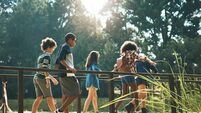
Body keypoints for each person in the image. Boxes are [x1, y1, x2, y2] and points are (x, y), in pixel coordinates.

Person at [32, 37, 58, 113]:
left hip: (36, 78)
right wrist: (47, 80)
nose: (53, 50)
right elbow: (45, 68)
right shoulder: (47, 56)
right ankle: (55, 112)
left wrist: (52, 78)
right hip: (42, 78)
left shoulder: (41, 56)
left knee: (39, 97)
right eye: (53, 48)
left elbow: (42, 69)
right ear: (48, 47)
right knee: (49, 97)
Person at [55, 33, 80, 113]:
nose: (74, 43)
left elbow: (57, 61)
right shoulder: (66, 47)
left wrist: (58, 72)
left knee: (66, 95)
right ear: (69, 39)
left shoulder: (63, 47)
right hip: (67, 74)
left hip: (63, 73)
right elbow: (60, 59)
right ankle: (60, 110)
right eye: (74, 40)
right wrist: (70, 68)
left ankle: (64, 111)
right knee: (76, 92)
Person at [113, 41, 138, 113]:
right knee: (136, 93)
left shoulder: (122, 56)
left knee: (124, 94)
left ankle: (115, 108)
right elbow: (127, 66)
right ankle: (137, 110)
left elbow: (118, 67)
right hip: (128, 76)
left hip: (122, 76)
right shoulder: (128, 54)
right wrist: (132, 64)